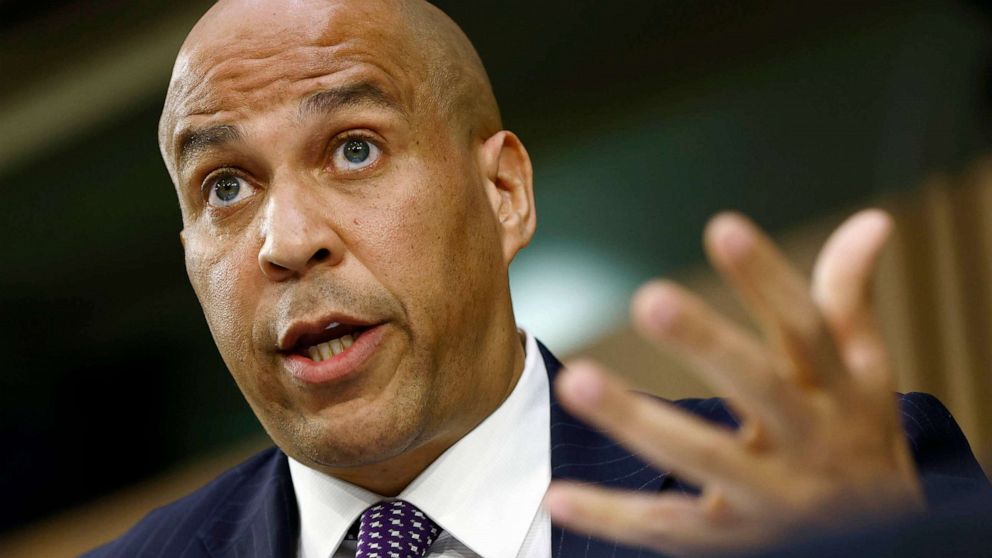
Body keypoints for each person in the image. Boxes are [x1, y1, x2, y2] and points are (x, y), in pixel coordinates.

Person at [85, 0, 990, 557]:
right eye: (226, 187)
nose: (287, 241)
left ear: (503, 192)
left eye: (354, 148)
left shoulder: (819, 496)